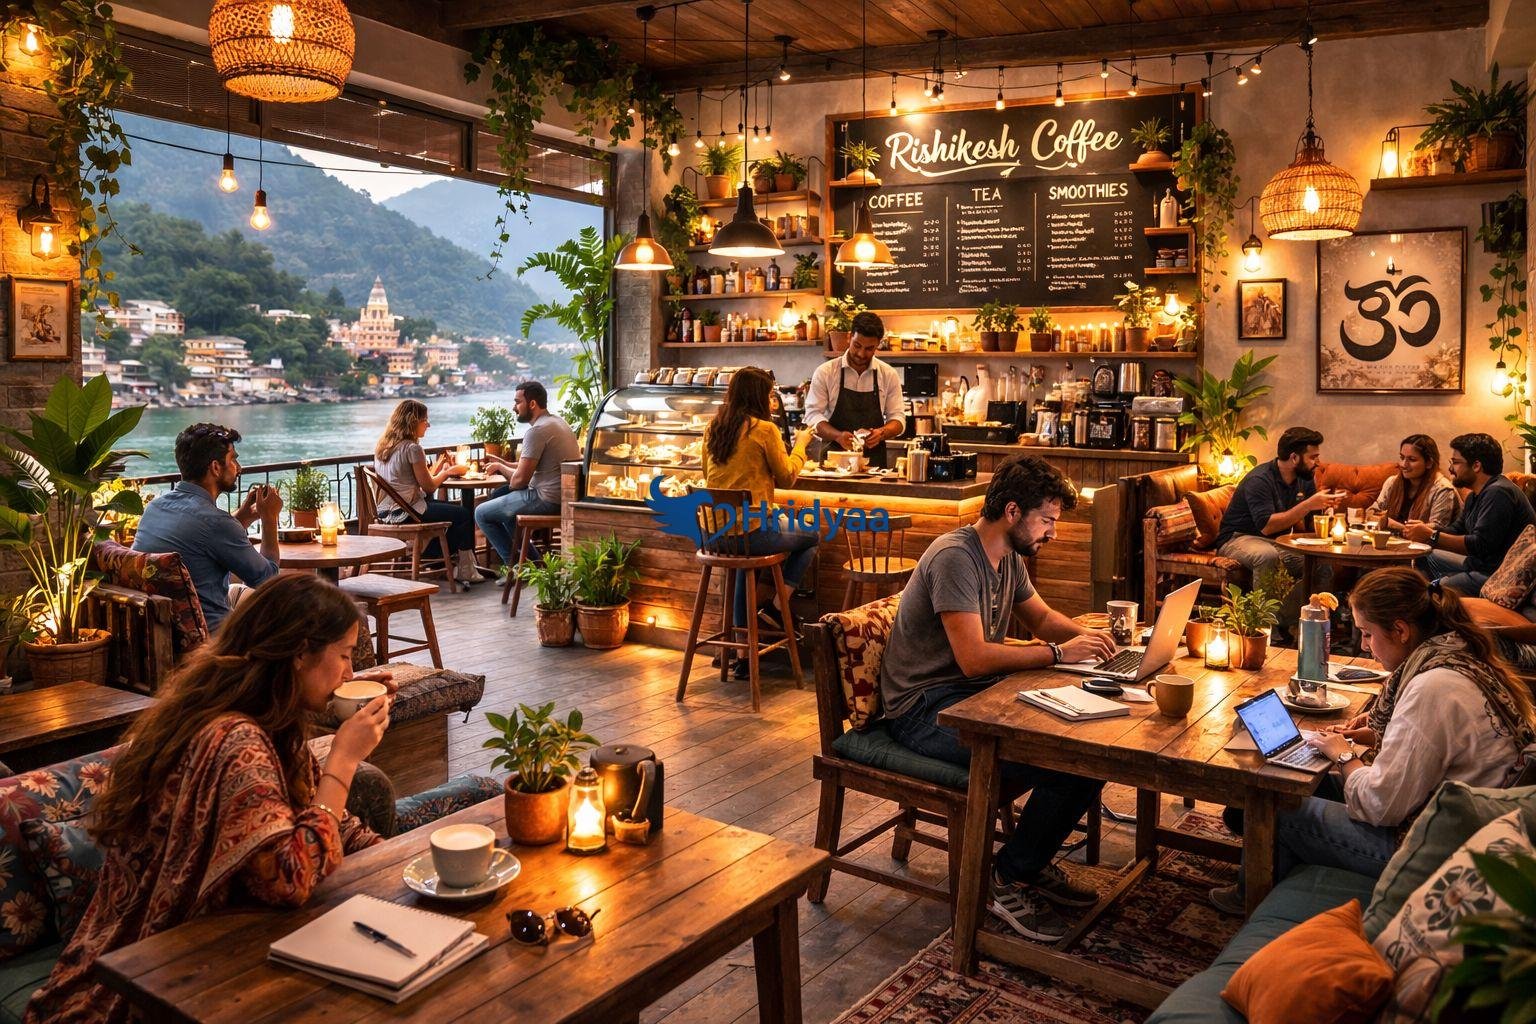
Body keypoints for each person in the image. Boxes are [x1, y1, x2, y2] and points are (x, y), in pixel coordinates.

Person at [25, 574, 394, 1023]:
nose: (351, 674)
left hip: (213, 953)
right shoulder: (235, 739)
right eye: (344, 656)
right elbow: (289, 876)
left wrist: (400, 868)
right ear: (300, 652)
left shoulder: (268, 722)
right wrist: (344, 759)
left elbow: (330, 820)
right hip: (157, 977)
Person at [880, 455, 1117, 942]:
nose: (1052, 533)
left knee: (1092, 743)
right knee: (1064, 759)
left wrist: (1108, 648)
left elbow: (1045, 620)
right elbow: (973, 659)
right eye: (1047, 520)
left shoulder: (1007, 557)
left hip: (968, 696)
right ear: (1013, 511)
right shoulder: (955, 557)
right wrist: (1055, 653)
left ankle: (1024, 865)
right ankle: (1007, 874)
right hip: (924, 708)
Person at [1209, 567, 1536, 915]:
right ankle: (1278, 877)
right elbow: (1436, 746)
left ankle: (1253, 899)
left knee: (1278, 808)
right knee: (1295, 786)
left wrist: (1345, 755)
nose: (1364, 646)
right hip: (1459, 824)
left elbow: (1380, 805)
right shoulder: (1458, 653)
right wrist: (1381, 731)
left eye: (1367, 634)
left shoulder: (1433, 688)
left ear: (1400, 631)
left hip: (1431, 853)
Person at [701, 367, 819, 680]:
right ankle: (780, 607)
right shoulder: (765, 430)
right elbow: (788, 477)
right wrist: (802, 444)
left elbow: (707, 477)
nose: (772, 400)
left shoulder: (713, 427)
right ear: (758, 397)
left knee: (744, 569)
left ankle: (742, 657)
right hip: (750, 534)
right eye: (769, 394)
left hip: (713, 536)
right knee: (813, 534)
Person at [132, 423, 282, 631]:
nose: (239, 468)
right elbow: (268, 581)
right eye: (233, 459)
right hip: (212, 639)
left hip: (164, 629)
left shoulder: (154, 508)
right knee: (286, 607)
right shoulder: (217, 523)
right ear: (215, 467)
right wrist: (270, 519)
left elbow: (200, 538)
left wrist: (243, 517)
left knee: (238, 591)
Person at [1215, 427, 1347, 626]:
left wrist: (1328, 514)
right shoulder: (1259, 480)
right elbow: (1267, 526)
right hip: (1239, 538)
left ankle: (1295, 623)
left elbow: (1312, 521)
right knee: (1267, 556)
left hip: (1276, 542)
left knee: (1321, 564)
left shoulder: (1305, 479)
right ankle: (1264, 627)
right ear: (1294, 457)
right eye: (1313, 457)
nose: (1317, 463)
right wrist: (1309, 504)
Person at [1407, 432, 1536, 595]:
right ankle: (1439, 588)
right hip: (1480, 565)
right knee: (1424, 554)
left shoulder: (1499, 493)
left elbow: (1480, 545)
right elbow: (1456, 530)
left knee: (1430, 590)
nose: (1450, 469)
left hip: (1498, 575)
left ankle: (1434, 593)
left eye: (1456, 462)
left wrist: (1431, 535)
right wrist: (1429, 528)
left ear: (1476, 466)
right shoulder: (1475, 495)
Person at [371, 399, 483, 585]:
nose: (428, 425)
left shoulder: (382, 448)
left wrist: (438, 467)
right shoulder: (412, 448)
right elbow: (429, 488)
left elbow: (412, 481)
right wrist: (448, 472)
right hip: (407, 512)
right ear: (412, 421)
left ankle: (439, 559)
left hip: (387, 511)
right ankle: (459, 567)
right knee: (463, 514)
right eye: (425, 420)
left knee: (453, 510)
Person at [475, 381, 580, 565]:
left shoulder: (537, 431)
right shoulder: (556, 422)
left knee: (481, 513)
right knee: (504, 509)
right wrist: (502, 462)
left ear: (532, 404)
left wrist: (500, 468)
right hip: (564, 497)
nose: (514, 408)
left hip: (547, 499)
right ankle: (534, 564)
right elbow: (531, 466)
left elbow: (519, 481)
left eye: (517, 402)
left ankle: (515, 568)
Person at [804, 310, 905, 469]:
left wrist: (881, 433)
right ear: (849, 337)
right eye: (857, 345)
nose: (861, 353)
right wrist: (837, 436)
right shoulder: (827, 372)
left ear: (878, 344)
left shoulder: (888, 374)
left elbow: (898, 419)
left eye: (869, 348)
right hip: (833, 465)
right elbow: (812, 415)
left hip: (874, 467)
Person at [1366, 433, 1460, 532]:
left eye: (1412, 459)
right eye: (1402, 458)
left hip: (1425, 546)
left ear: (1429, 463)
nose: (1403, 465)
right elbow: (1372, 512)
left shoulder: (1443, 489)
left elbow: (1434, 533)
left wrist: (1391, 524)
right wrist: (1375, 514)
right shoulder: (1392, 482)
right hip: (1392, 542)